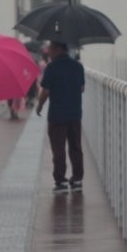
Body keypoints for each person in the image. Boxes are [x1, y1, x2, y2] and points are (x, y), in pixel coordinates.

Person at [35, 41, 85, 193]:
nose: (48, 51)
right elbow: (82, 88)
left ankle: (61, 180)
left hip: (57, 114)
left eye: (50, 48)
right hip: (75, 113)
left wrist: (39, 106)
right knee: (75, 146)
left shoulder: (52, 67)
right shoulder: (78, 66)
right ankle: (77, 179)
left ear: (58, 49)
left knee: (59, 148)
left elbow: (45, 91)